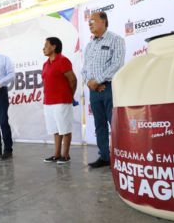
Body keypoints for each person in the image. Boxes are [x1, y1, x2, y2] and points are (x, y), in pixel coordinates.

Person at [81, 11, 125, 168]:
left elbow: (117, 64)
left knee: (114, 124)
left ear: (104, 22)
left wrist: (98, 81)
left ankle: (121, 157)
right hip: (93, 91)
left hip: (109, 88)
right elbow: (84, 68)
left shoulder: (116, 40)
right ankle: (105, 157)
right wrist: (89, 82)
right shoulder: (90, 45)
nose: (90, 23)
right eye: (89, 21)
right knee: (99, 125)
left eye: (93, 20)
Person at [41, 37, 77, 164]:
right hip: (48, 102)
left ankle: (65, 155)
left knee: (65, 128)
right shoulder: (45, 64)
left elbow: (73, 80)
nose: (43, 48)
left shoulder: (63, 60)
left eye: (46, 45)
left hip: (62, 101)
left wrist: (69, 96)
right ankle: (56, 155)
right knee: (55, 129)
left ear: (54, 46)